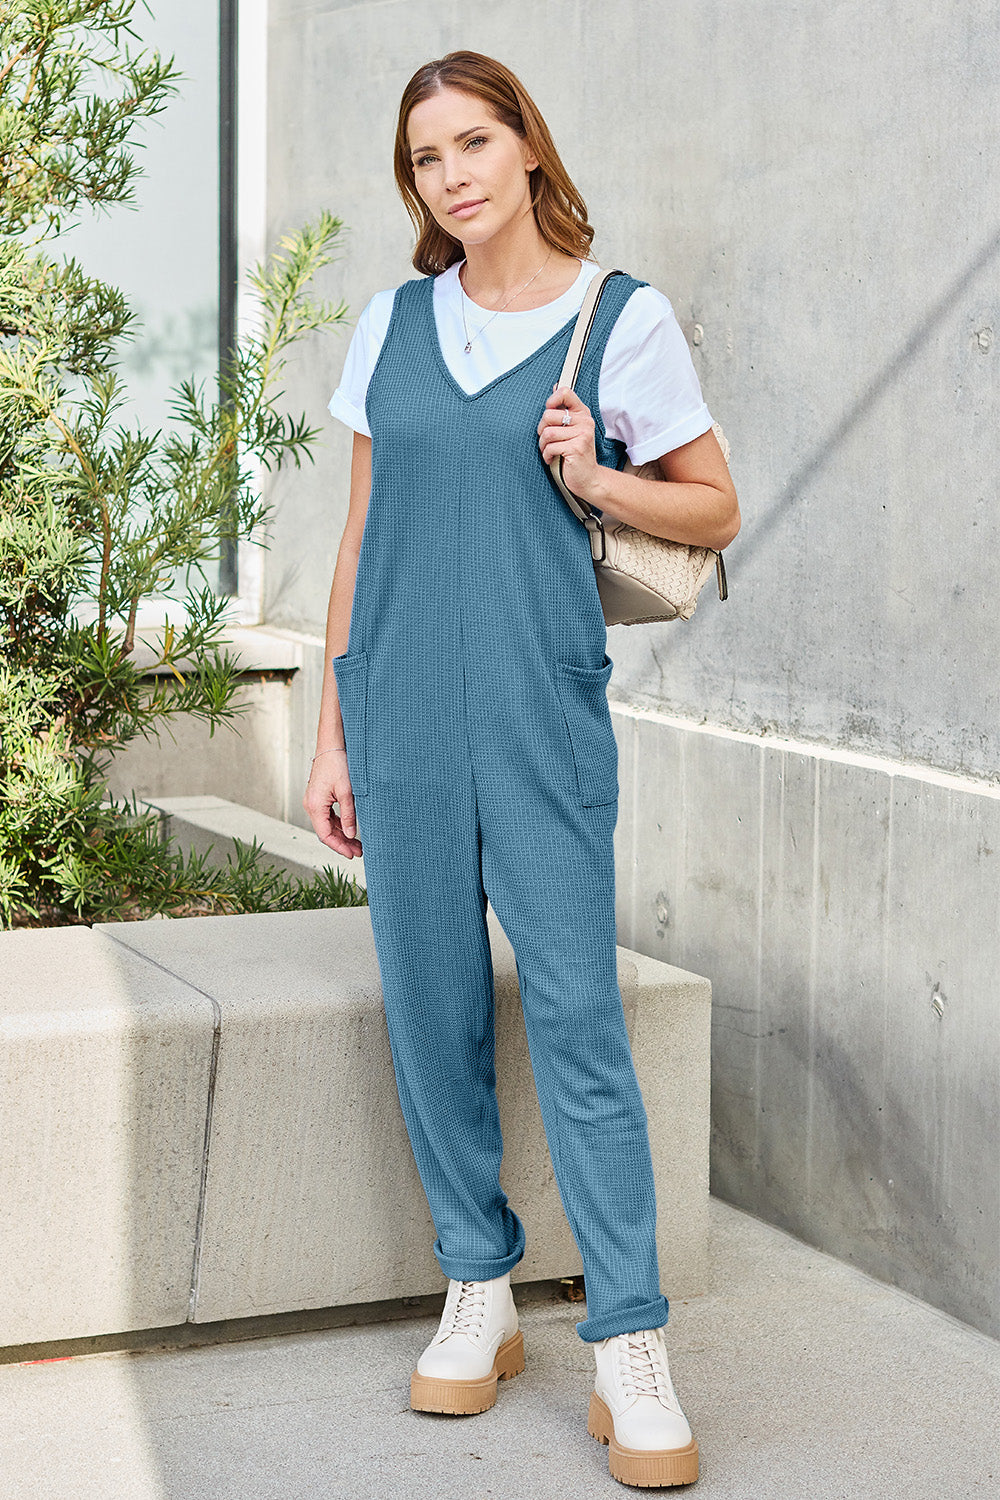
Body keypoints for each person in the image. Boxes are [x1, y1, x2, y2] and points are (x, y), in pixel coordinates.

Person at [304, 50, 740, 1490]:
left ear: (529, 148)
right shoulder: (392, 325)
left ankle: (626, 1337)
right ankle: (479, 1289)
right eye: (427, 159)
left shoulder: (621, 318)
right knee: (430, 1007)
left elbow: (716, 502)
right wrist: (331, 728)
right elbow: (361, 543)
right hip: (403, 709)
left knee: (575, 1018)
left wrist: (598, 476)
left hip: (543, 709)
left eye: (475, 141)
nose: (454, 175)